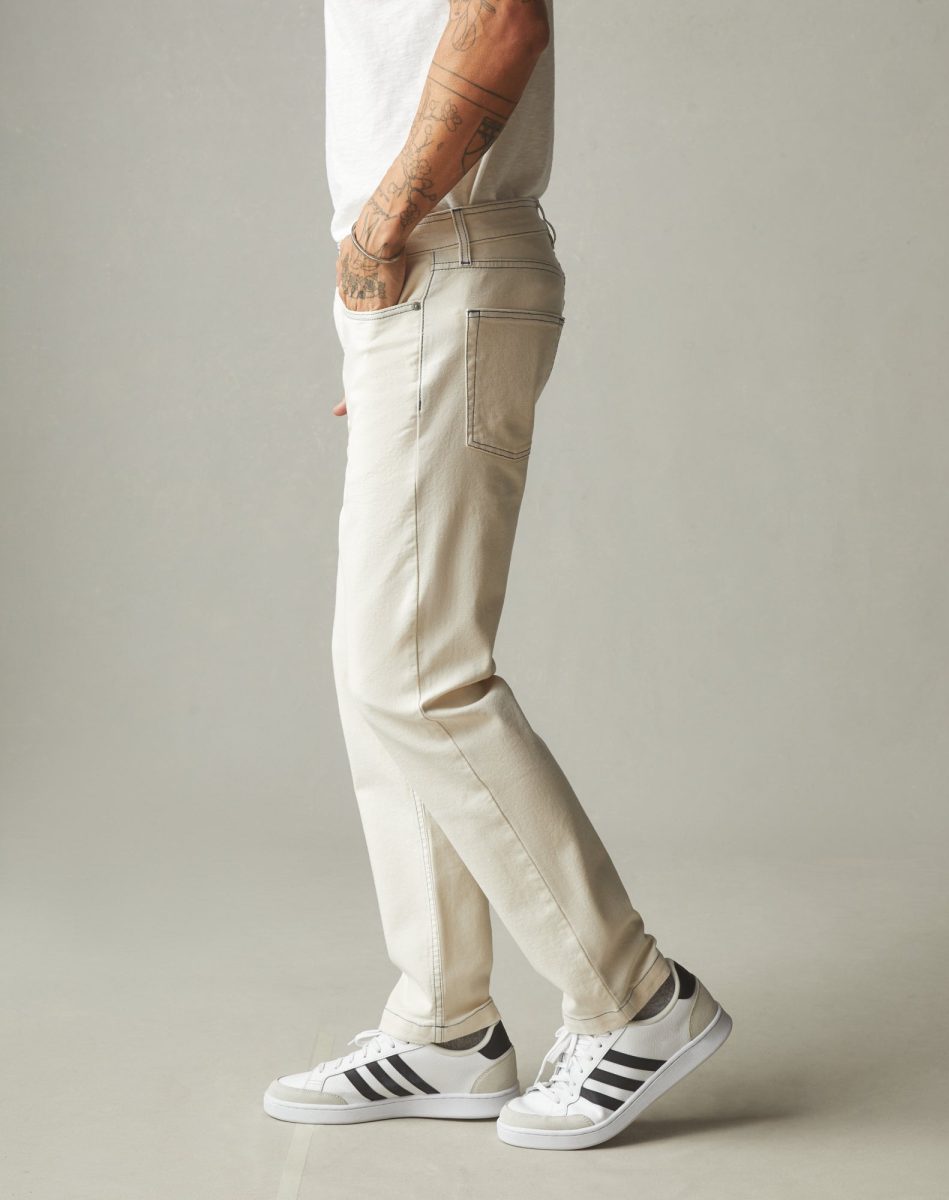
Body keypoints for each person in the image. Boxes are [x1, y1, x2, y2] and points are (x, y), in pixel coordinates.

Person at [263, 0, 731, 1150]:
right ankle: (444, 1023)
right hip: (424, 268)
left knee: (416, 672)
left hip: (441, 247)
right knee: (376, 672)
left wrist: (386, 230)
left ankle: (636, 999)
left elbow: (502, 18)